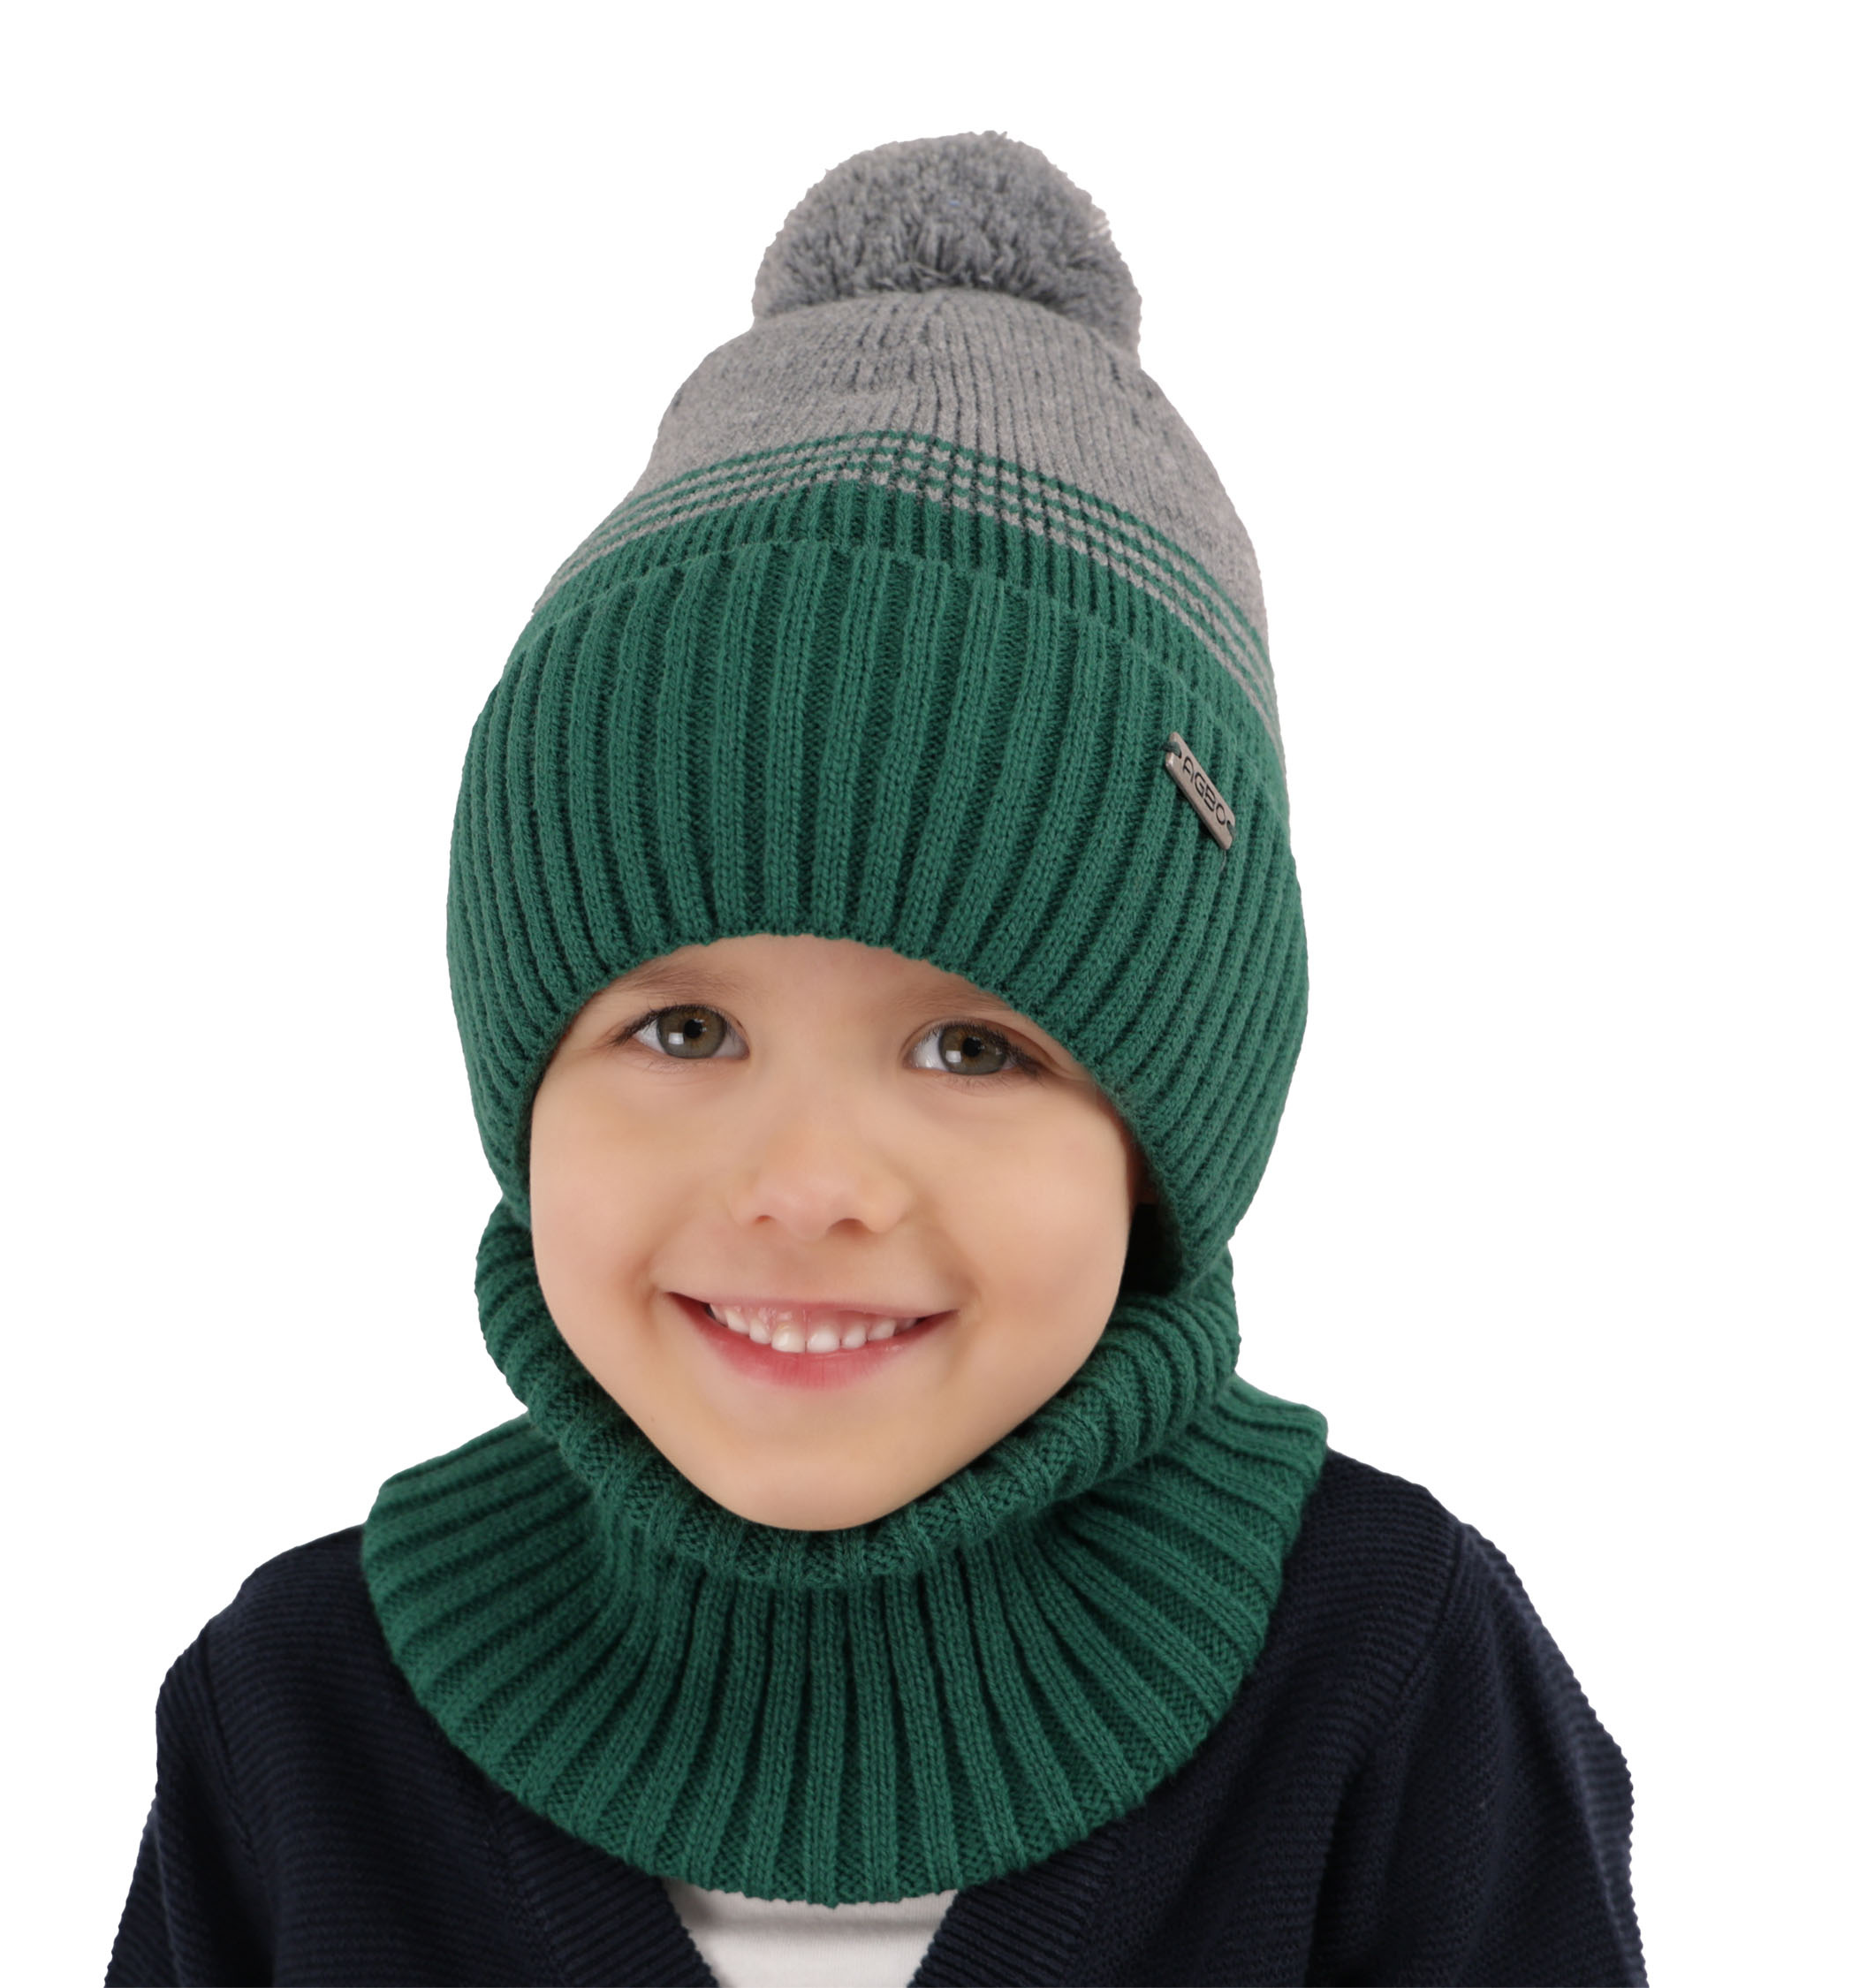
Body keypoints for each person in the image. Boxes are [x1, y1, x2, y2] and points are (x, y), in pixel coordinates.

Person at [106, 132, 1646, 1986]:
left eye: (973, 1045)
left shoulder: (1392, 1684)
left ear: (1167, 1140)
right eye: (682, 1028)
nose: (806, 1182)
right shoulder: (293, 1725)